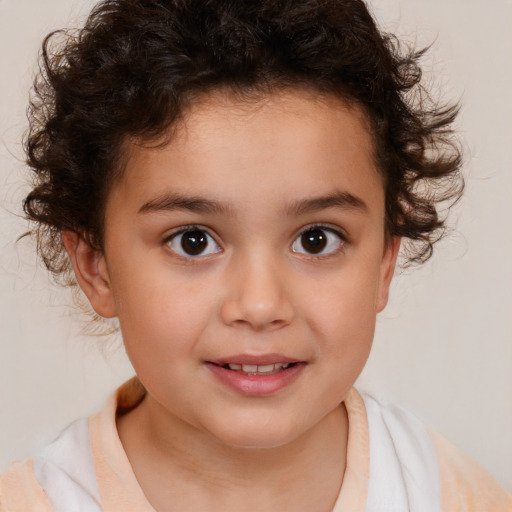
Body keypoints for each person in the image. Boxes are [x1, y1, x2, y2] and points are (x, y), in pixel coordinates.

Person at [0, 0, 510, 510]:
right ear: (97, 267)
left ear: (383, 260)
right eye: (193, 240)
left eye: (316, 239)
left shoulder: (456, 498)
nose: (261, 305)